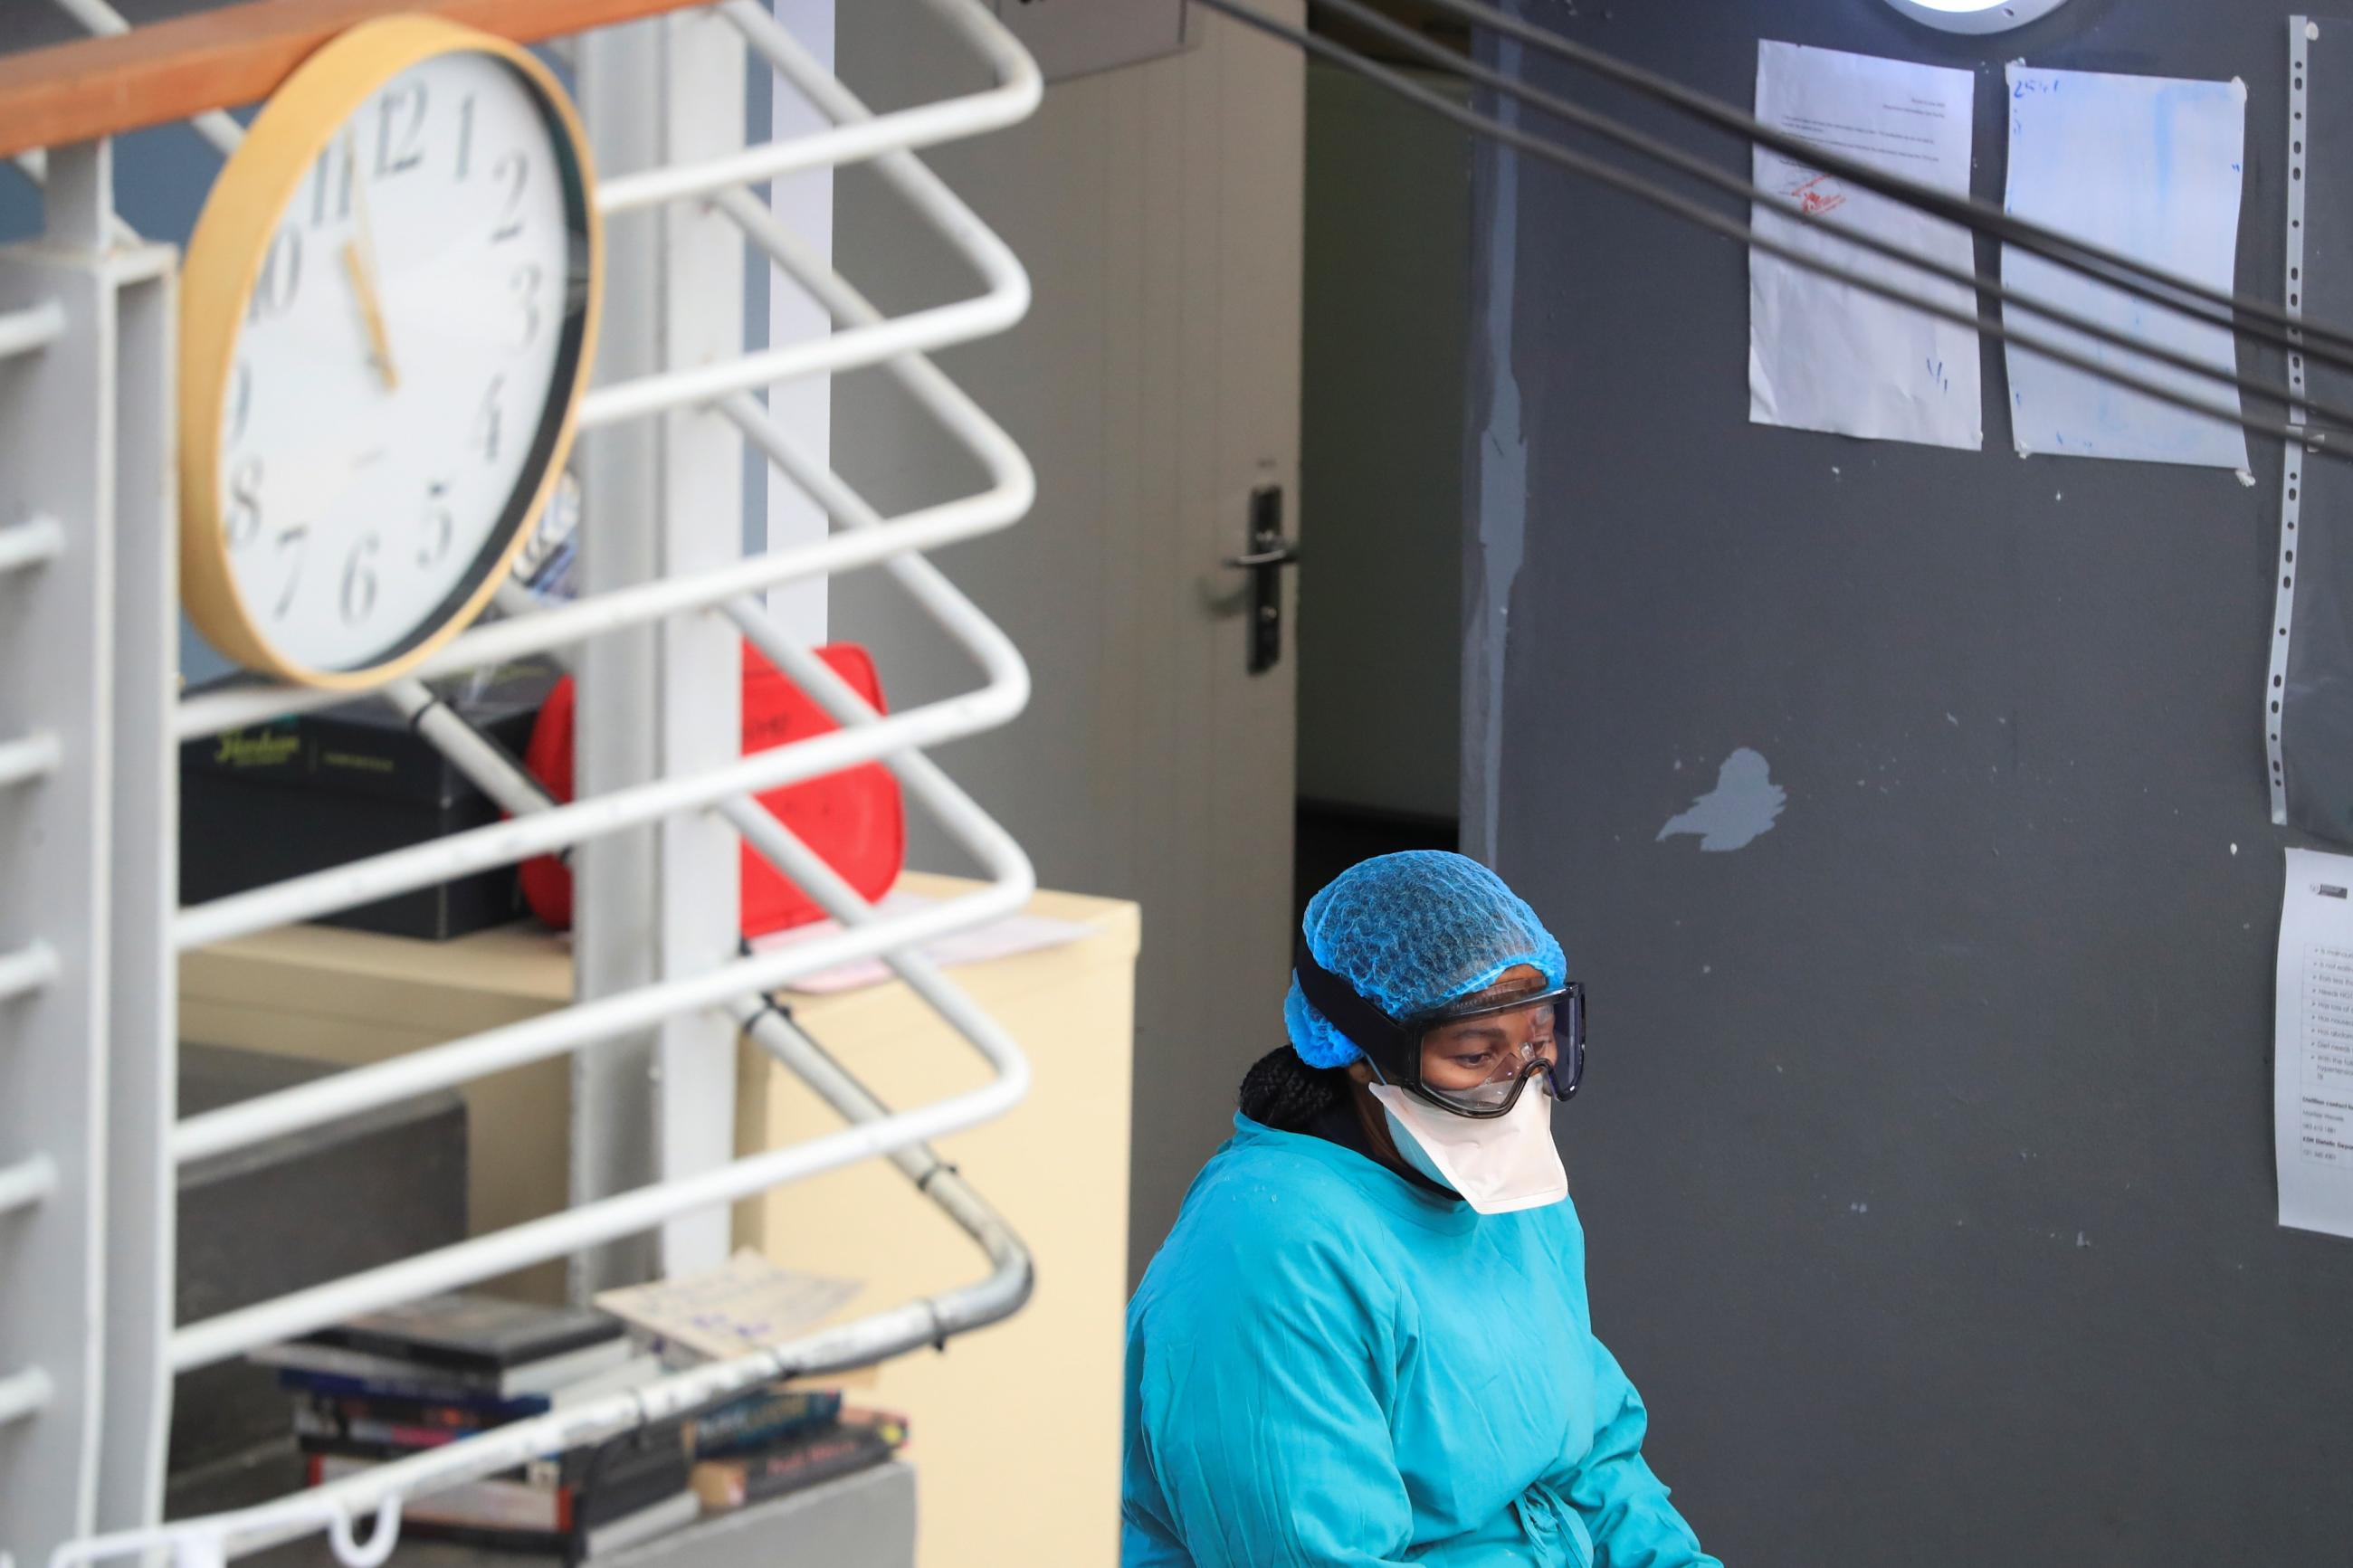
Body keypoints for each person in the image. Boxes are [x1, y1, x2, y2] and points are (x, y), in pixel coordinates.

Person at [1121, 851, 1719, 1567]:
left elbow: (1594, 1461)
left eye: (1537, 1039)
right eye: (1474, 1053)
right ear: (1357, 1050)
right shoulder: (1271, 1247)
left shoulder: (1513, 1202)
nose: (1519, 1085)